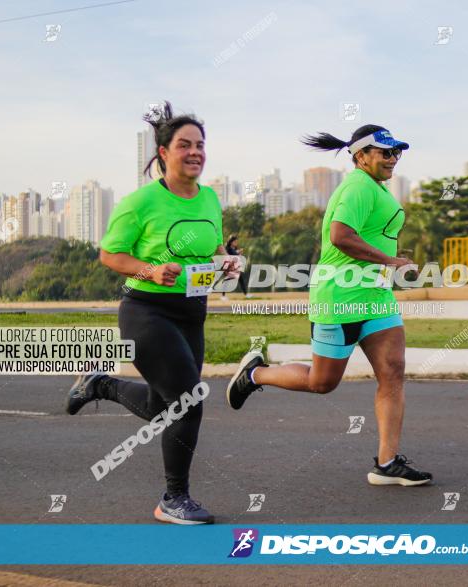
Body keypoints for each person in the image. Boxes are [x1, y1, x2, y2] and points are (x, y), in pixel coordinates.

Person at [225, 124, 432, 486]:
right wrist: (388, 261)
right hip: (340, 299)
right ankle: (255, 373)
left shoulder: (375, 189)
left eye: (396, 152)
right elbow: (340, 236)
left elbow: (364, 236)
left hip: (376, 297)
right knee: (323, 383)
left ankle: (386, 463)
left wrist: (392, 260)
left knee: (393, 371)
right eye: (385, 152)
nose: (392, 159)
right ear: (361, 156)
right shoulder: (356, 186)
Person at [64, 101, 238, 524]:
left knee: (166, 407)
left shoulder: (210, 198)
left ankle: (101, 385)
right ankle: (173, 498)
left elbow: (212, 247)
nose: (195, 152)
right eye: (185, 145)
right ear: (164, 152)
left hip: (192, 311)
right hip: (147, 311)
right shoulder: (140, 202)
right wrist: (150, 269)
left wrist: (226, 261)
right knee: (189, 401)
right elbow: (110, 254)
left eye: (200, 145)